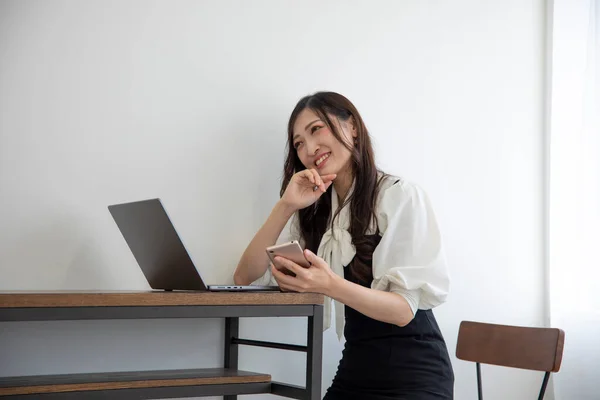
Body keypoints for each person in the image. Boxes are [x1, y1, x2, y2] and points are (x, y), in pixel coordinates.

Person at [234, 91, 454, 399]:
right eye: (298, 143)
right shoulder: (318, 212)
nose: (309, 149)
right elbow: (245, 276)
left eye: (316, 129)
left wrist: (328, 284)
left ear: (352, 127)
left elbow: (403, 311)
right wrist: (285, 205)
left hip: (414, 374)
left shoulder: (400, 195)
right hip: (356, 369)